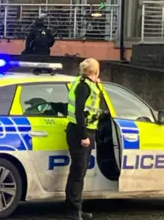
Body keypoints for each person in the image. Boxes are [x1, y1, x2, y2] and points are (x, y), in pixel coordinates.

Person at [65, 58, 104, 220]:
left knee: (79, 171)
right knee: (78, 171)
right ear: (95, 71)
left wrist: (96, 82)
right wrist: (83, 136)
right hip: (80, 132)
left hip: (86, 130)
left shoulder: (86, 83)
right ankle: (74, 210)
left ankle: (76, 208)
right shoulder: (83, 86)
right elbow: (79, 112)